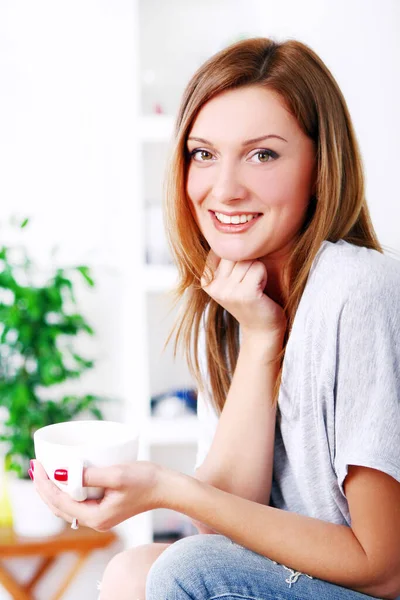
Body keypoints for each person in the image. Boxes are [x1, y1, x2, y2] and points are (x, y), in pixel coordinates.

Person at [32, 37, 400, 600]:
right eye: (204, 154)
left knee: (182, 569)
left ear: (320, 166)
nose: (224, 190)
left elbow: (382, 566)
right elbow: (227, 523)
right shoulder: (230, 304)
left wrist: (166, 488)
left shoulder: (359, 288)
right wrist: (260, 338)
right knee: (136, 572)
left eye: (262, 154)